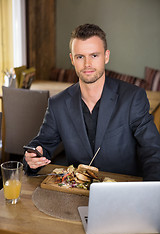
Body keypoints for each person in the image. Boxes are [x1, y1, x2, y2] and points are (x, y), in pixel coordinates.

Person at [23, 23, 160, 180]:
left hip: (124, 192)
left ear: (106, 56)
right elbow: (41, 145)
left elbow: (153, 151)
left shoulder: (133, 97)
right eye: (80, 57)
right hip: (77, 192)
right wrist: (32, 158)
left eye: (94, 55)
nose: (87, 64)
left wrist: (152, 193)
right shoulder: (57, 104)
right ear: (72, 59)